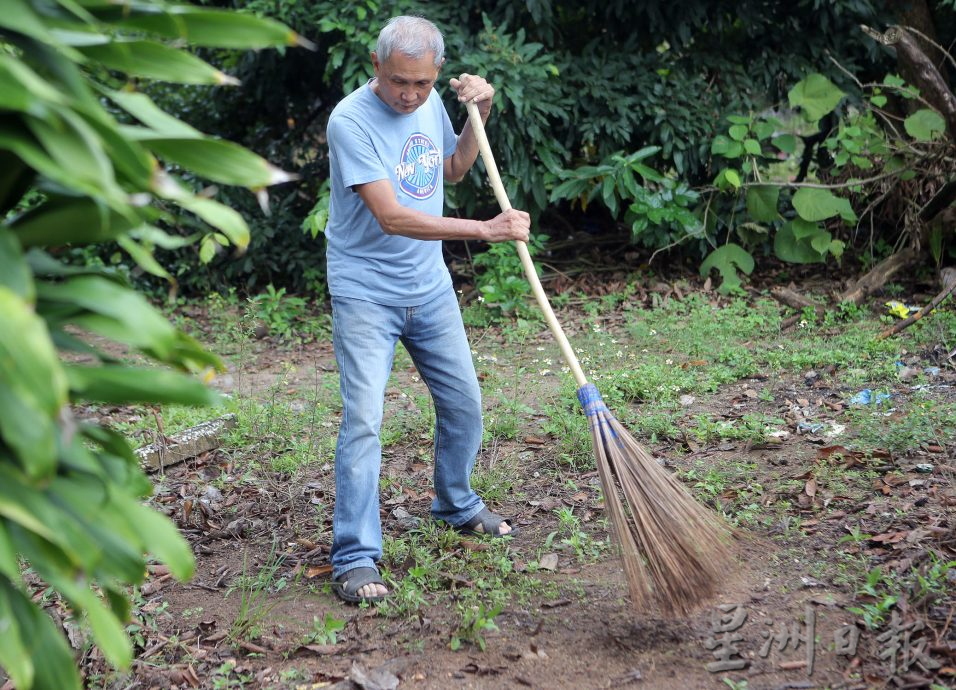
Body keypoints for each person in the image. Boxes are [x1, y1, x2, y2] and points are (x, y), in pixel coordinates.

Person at [324, 15, 531, 604]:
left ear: (436, 74)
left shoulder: (429, 104)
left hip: (429, 287)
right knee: (364, 420)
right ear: (375, 66)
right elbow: (391, 215)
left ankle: (455, 504)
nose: (409, 94)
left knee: (464, 401)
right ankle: (355, 556)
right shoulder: (350, 121)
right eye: (397, 82)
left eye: (420, 83)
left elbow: (451, 169)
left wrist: (478, 115)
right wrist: (485, 230)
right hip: (366, 291)